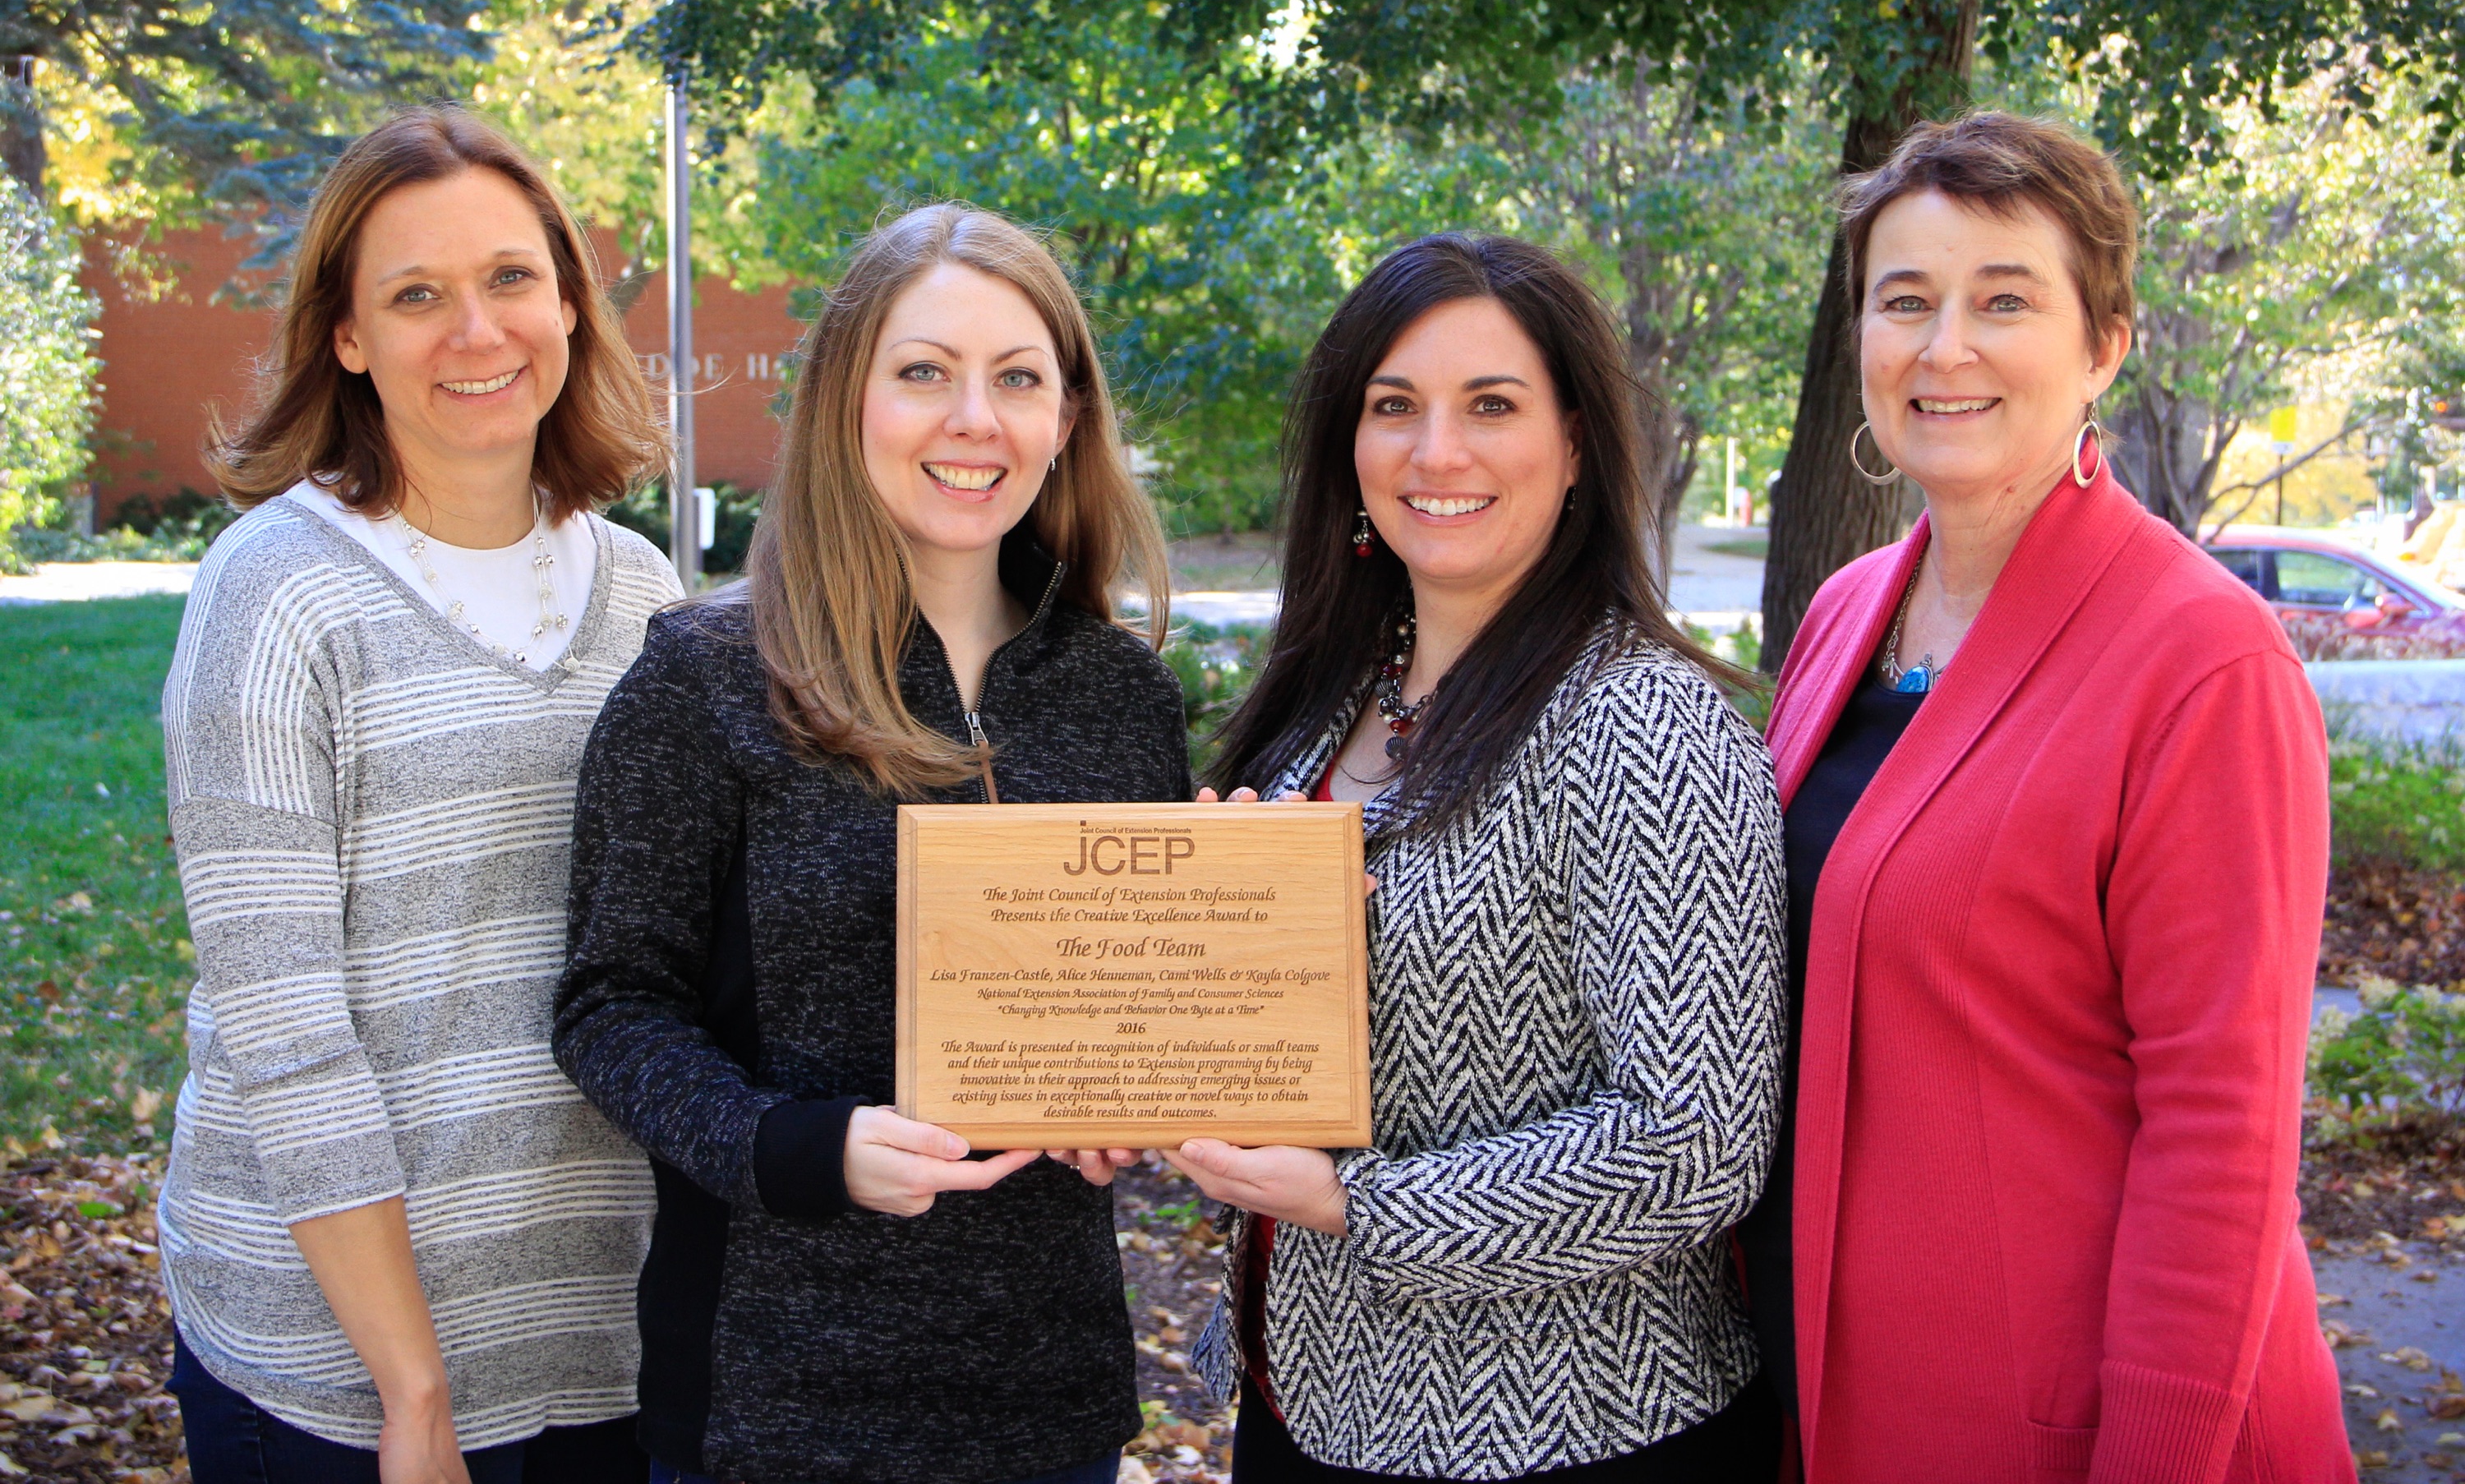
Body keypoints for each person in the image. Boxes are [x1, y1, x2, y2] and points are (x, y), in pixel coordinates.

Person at [1741, 110, 2351, 1480]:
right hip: (1843, 1402)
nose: (1945, 347)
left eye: (2005, 301)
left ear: (2104, 345)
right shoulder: (1846, 613)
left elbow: (2222, 1136)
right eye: (1906, 300)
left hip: (2079, 1431)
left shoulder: (2204, 662)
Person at [551, 203, 1189, 1484]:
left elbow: (1130, 1007)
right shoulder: (709, 679)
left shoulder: (1124, 695)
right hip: (775, 1412)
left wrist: (1139, 1098)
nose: (975, 419)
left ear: (1068, 417)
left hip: (1045, 1403)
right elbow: (610, 1007)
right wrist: (800, 1147)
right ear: (849, 399)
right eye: (925, 373)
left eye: (1019, 379)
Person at [1180, 233, 1789, 1482]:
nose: (1436, 452)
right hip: (1308, 1399)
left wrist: (1355, 1203)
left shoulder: (1640, 724)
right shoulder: (1333, 696)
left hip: (1569, 1431)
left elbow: (1695, 1144)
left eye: (1492, 406)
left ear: (1575, 444)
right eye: (1394, 405)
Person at [158, 104, 677, 1482]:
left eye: (511, 278)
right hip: (337, 1368)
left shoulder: (642, 593)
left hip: (601, 1329)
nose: (477, 331)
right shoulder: (274, 593)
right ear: (347, 335)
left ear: (569, 302)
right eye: (416, 296)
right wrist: (413, 1388)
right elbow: (282, 1026)